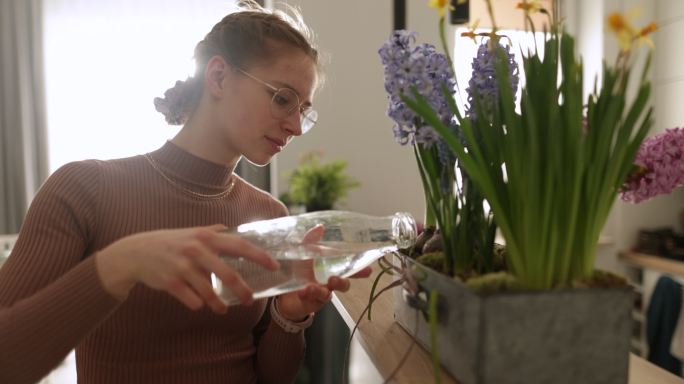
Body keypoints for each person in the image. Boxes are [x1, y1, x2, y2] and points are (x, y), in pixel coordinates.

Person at [0, 2, 369, 383]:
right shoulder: (84, 190)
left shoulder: (269, 214)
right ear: (219, 77)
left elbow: (271, 378)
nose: (294, 126)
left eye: (304, 111)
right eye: (281, 99)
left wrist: (289, 317)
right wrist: (120, 263)